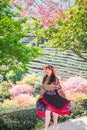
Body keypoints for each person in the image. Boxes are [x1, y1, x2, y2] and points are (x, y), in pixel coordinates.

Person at [36, 65, 72, 130]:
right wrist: (40, 96)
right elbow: (43, 88)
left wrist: (64, 97)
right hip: (46, 97)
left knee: (55, 112)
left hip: (54, 97)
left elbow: (59, 88)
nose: (47, 71)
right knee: (47, 112)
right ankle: (46, 128)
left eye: (48, 70)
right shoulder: (45, 78)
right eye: (46, 69)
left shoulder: (55, 78)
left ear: (52, 71)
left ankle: (55, 126)